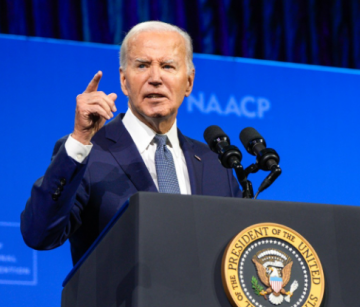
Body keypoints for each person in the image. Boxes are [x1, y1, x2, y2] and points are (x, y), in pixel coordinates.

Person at [21, 20, 241, 266]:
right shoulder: (88, 152)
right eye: (142, 65)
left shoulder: (216, 164)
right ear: (124, 81)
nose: (155, 78)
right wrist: (80, 140)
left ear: (188, 82)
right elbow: (39, 234)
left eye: (168, 66)